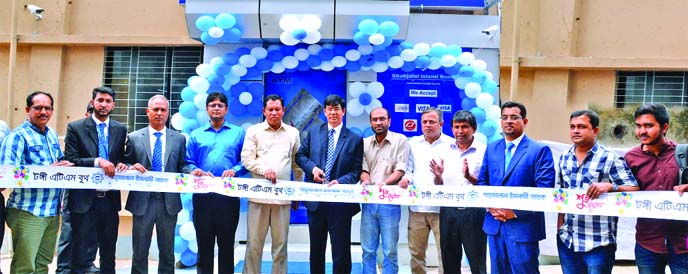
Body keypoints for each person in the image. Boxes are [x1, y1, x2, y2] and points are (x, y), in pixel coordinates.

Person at [476, 101, 555, 274]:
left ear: (524, 121)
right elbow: (482, 182)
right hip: (494, 224)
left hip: (523, 227)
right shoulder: (492, 148)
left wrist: (515, 212)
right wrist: (491, 207)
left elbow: (545, 190)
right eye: (504, 118)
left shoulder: (539, 150)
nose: (508, 121)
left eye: (514, 117)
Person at [556, 110, 638, 274]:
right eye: (572, 127)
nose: (576, 131)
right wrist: (559, 229)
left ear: (595, 130)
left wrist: (610, 186)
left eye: (582, 126)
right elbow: (561, 195)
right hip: (568, 240)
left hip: (599, 242)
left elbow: (634, 189)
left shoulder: (611, 158)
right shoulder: (564, 157)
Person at [0, 91, 74, 273]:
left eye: (47, 108)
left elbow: (58, 162)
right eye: (38, 108)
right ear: (27, 109)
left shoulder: (51, 135)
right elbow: (8, 175)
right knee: (25, 266)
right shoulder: (17, 137)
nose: (43, 112)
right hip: (28, 211)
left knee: (42, 264)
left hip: (52, 211)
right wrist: (49, 170)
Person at [124, 95, 193, 274]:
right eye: (156, 109)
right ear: (148, 112)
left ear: (168, 113)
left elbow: (182, 165)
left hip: (168, 203)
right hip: (142, 203)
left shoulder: (178, 139)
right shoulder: (133, 137)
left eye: (163, 110)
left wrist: (192, 172)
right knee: (139, 251)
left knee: (167, 252)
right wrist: (132, 167)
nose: (159, 113)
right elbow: (124, 163)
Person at [296, 94, 363, 274]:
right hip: (316, 203)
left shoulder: (355, 139)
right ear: (325, 111)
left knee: (341, 250)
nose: (333, 112)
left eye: (337, 109)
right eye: (329, 109)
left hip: (340, 204)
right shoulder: (313, 132)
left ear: (344, 111)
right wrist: (313, 169)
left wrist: (340, 182)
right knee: (316, 249)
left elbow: (356, 171)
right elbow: (300, 156)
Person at [64, 86, 128, 274]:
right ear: (93, 103)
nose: (104, 104)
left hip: (109, 200)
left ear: (113, 105)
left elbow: (121, 158)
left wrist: (123, 164)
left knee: (109, 252)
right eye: (100, 100)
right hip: (84, 201)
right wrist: (97, 161)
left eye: (108, 101)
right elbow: (71, 160)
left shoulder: (120, 129)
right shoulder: (76, 127)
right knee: (81, 253)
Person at [240, 94, 304, 274]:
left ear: (283, 111)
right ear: (264, 111)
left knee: (280, 246)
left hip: (282, 199)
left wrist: (297, 192)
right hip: (258, 197)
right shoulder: (253, 131)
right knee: (254, 245)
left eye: (278, 109)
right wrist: (263, 170)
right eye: (270, 110)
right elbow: (246, 159)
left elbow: (296, 164)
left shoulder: (293, 133)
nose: (274, 113)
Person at [186, 91, 246, 274]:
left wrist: (234, 170)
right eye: (212, 105)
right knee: (204, 245)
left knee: (226, 245)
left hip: (228, 198)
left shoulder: (238, 133)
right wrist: (193, 170)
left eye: (220, 105)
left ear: (226, 109)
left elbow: (245, 161)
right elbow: (188, 162)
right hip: (203, 198)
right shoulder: (196, 135)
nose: (216, 108)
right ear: (207, 109)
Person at [624, 104, 688, 274]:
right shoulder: (630, 159)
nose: (642, 131)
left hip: (683, 242)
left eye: (649, 125)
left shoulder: (684, 154)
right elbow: (624, 192)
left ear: (664, 127)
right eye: (638, 126)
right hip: (648, 243)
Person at [433, 110, 487, 274]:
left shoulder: (484, 151)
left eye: (465, 127)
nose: (460, 131)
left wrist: (468, 176)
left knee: (477, 261)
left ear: (474, 129)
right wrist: (438, 176)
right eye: (456, 127)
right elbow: (439, 184)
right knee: (449, 261)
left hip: (474, 212)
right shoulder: (444, 150)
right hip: (448, 212)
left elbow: (487, 186)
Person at [399, 107, 453, 274]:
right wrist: (406, 178)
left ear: (441, 123)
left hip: (442, 209)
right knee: (416, 253)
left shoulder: (451, 145)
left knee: (445, 253)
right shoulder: (412, 143)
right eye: (424, 122)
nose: (428, 125)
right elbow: (408, 168)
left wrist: (442, 176)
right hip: (417, 208)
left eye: (432, 122)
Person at [359, 107, 409, 274]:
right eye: (375, 119)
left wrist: (384, 184)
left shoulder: (400, 140)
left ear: (389, 121)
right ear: (370, 122)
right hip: (369, 203)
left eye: (382, 119)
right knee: (368, 250)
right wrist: (366, 180)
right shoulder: (364, 143)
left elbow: (400, 169)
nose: (378, 122)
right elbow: (363, 169)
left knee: (390, 251)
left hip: (390, 202)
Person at [56, 102, 99, 274]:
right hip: (76, 194)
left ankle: (87, 263)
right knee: (69, 233)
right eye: (90, 111)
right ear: (87, 113)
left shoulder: (105, 134)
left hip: (98, 195)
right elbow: (72, 159)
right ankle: (64, 268)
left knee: (92, 233)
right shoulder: (76, 130)